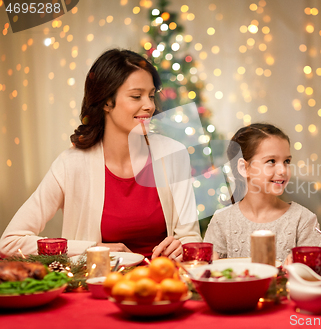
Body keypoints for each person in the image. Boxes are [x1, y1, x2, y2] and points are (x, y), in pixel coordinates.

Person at [0, 49, 202, 259]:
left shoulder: (173, 154)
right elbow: (10, 242)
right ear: (106, 101)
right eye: (136, 96)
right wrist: (91, 249)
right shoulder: (71, 164)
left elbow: (190, 238)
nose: (150, 105)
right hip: (97, 287)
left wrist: (182, 246)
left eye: (151, 95)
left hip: (160, 284)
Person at [203, 123, 321, 263]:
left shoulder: (303, 220)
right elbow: (209, 274)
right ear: (244, 168)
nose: (283, 170)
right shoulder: (221, 221)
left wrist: (302, 266)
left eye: (286, 161)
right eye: (271, 161)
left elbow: (314, 275)